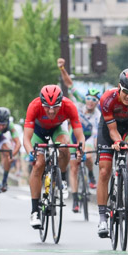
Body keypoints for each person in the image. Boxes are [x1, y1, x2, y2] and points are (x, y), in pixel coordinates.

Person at [23, 84, 85, 229]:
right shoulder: (34, 106)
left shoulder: (69, 106)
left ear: (61, 103)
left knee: (64, 146)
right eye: (47, 107)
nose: (51, 111)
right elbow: (26, 138)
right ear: (41, 102)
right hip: (38, 132)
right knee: (39, 164)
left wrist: (80, 148)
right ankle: (34, 211)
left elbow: (79, 134)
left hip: (58, 128)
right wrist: (31, 152)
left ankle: (62, 179)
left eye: (55, 107)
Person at [95, 67, 128, 238]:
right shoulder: (108, 99)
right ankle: (102, 217)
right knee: (104, 171)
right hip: (108, 131)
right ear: (119, 87)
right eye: (126, 92)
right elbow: (113, 130)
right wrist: (116, 142)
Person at [57, 58, 100, 189]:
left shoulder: (97, 115)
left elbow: (96, 135)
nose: (90, 102)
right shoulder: (80, 101)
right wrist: (62, 69)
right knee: (71, 162)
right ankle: (71, 189)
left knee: (87, 156)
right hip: (75, 134)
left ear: (97, 102)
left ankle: (91, 174)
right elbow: (69, 84)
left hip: (88, 137)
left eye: (94, 100)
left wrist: (96, 151)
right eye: (88, 99)